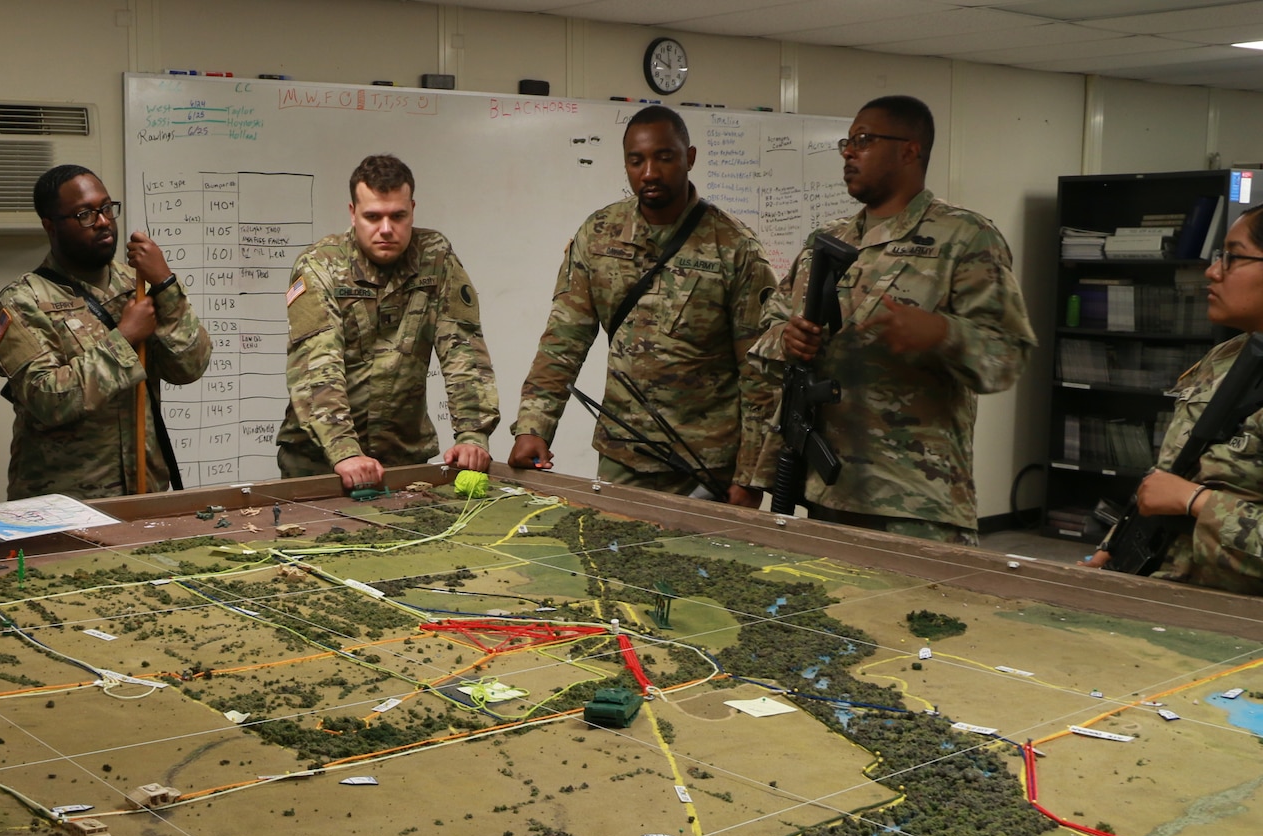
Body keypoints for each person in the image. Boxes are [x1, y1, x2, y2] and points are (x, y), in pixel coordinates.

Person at [751, 95, 1035, 543]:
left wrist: (943, 334)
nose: (849, 152)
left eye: (863, 140)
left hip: (918, 501)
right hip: (828, 491)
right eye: (848, 142)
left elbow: (1008, 355)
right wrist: (786, 339)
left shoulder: (965, 237)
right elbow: (768, 327)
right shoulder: (828, 240)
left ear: (909, 150)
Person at [508, 106, 779, 505]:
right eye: (636, 161)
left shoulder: (735, 248)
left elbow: (759, 373)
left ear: (689, 157)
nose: (649, 172)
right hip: (623, 456)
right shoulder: (598, 236)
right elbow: (563, 342)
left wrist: (751, 475)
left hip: (707, 468)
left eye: (664, 157)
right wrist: (533, 426)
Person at [0, 165, 211, 500]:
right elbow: (47, 399)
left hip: (144, 492)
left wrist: (166, 284)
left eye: (107, 208)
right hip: (66, 503)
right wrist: (124, 339)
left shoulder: (135, 283)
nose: (104, 221)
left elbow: (189, 367)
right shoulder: (22, 301)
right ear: (50, 225)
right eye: (84, 215)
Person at [280, 154, 499, 488]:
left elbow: (463, 350)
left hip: (403, 457)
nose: (386, 229)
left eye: (398, 216)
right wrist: (344, 451)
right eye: (373, 216)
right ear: (353, 214)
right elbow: (317, 366)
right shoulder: (320, 266)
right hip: (320, 462)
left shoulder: (435, 257)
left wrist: (472, 434)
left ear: (413, 209)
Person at [1084, 209, 1263, 593]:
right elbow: (1175, 472)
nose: (1212, 272)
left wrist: (1195, 501)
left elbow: (1183, 491)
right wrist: (1114, 544)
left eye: (1233, 256)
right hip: (1171, 592)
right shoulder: (1229, 356)